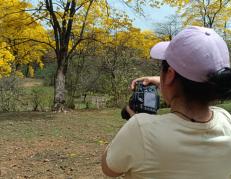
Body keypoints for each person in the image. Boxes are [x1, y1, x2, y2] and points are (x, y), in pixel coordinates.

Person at [101, 26, 231, 179]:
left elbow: (109, 169)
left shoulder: (140, 129)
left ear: (170, 74)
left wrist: (137, 120)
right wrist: (164, 82)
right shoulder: (226, 122)